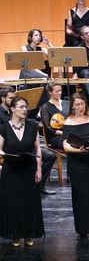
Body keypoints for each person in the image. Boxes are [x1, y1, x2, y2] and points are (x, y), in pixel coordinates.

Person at [62, 93, 89, 241]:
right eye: (77, 105)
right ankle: (82, 229)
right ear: (73, 106)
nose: (80, 107)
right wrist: (79, 150)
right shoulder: (68, 122)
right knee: (79, 195)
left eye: (82, 104)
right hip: (76, 162)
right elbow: (66, 147)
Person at [0, 96, 44, 247]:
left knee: (29, 202)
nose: (25, 110)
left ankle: (28, 234)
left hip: (28, 168)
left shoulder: (32, 126)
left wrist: (38, 168)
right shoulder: (4, 127)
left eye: (26, 107)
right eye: (21, 107)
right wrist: (4, 154)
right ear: (12, 109)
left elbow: (37, 149)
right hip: (11, 169)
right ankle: (15, 235)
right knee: (13, 202)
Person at [0, 87, 56, 196]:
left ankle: (39, 184)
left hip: (25, 144)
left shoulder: (21, 116)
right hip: (10, 146)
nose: (13, 100)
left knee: (50, 156)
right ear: (3, 99)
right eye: (11, 98)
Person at [40, 82, 70, 149]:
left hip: (70, 133)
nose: (60, 93)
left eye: (60, 90)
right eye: (56, 91)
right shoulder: (45, 107)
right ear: (50, 92)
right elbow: (48, 128)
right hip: (56, 136)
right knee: (73, 144)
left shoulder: (67, 103)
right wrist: (64, 133)